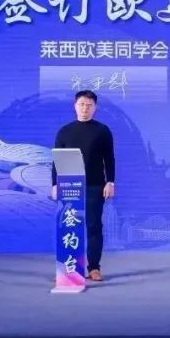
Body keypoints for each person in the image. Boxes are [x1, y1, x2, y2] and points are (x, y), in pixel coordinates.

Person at [51, 90, 116, 282]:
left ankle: (94, 267)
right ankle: (68, 269)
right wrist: (54, 184)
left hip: (95, 185)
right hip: (69, 185)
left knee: (94, 226)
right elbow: (56, 160)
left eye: (89, 105)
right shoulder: (64, 131)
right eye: (81, 104)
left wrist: (110, 182)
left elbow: (109, 158)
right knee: (69, 226)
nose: (85, 108)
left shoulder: (102, 131)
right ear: (75, 106)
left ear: (95, 107)